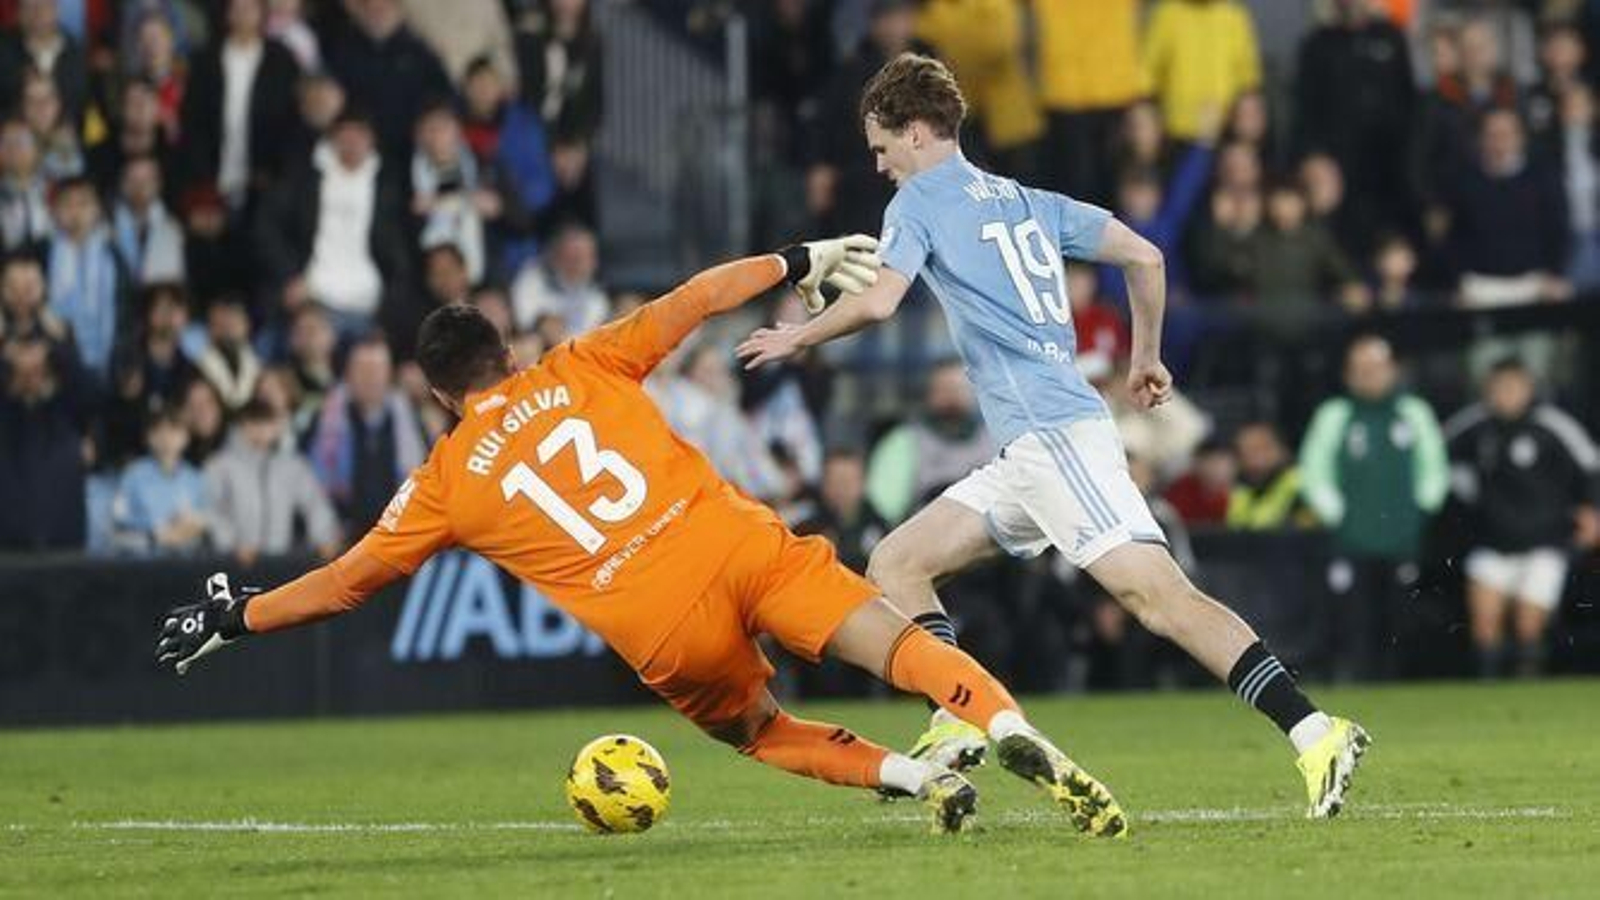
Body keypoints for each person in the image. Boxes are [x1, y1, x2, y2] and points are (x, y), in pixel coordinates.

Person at [154, 240, 1127, 838]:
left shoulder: (442, 481)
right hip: (736, 545)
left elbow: (346, 582)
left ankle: (914, 778)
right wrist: (796, 259)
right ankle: (1007, 729)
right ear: (508, 354)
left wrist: (239, 614)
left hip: (661, 627)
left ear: (439, 393)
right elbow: (697, 299)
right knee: (897, 644)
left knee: (757, 731)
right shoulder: (581, 365)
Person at [737, 53, 1368, 819]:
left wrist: (795, 338)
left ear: (916, 131)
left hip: (1054, 438)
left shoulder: (919, 204)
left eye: (880, 147)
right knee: (898, 561)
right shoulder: (1028, 200)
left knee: (1159, 600)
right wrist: (1145, 357)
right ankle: (953, 714)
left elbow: (878, 305)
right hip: (1033, 447)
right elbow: (1146, 255)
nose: (879, 165)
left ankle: (1312, 729)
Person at [1299, 336, 1449, 681]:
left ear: (1393, 370)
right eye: (1360, 369)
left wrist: (1420, 511)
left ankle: (1401, 682)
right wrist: (1339, 515)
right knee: (1354, 617)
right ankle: (1359, 680)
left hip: (1403, 534)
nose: (1369, 376)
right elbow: (1314, 470)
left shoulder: (1414, 412)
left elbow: (1434, 468)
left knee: (1402, 615)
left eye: (1376, 368)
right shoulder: (1335, 414)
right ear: (1348, 374)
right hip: (1351, 537)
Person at [1444, 358, 1600, 679]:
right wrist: (1467, 490)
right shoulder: (1474, 425)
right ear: (1487, 391)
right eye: (1499, 388)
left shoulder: (1553, 424)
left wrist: (1592, 511)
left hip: (1545, 544)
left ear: (1528, 388)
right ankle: (1488, 697)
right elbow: (1436, 455)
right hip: (1492, 543)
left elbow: (1590, 466)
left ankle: (1528, 690)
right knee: (1485, 626)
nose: (1506, 395)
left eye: (1513, 388)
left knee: (1529, 626)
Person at [202, 398, 341, 566]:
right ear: (242, 425)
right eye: (254, 422)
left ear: (276, 427)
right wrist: (232, 544)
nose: (260, 430)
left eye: (266, 422)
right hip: (232, 563)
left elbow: (316, 505)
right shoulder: (220, 465)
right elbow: (210, 509)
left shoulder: (292, 466)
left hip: (279, 562)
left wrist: (325, 538)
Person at [111, 408, 208, 555]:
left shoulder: (195, 479)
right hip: (142, 567)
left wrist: (190, 531)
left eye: (174, 430)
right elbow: (115, 535)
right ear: (149, 437)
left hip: (186, 568)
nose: (166, 438)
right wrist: (154, 538)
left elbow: (205, 531)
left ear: (187, 436)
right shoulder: (133, 476)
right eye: (159, 431)